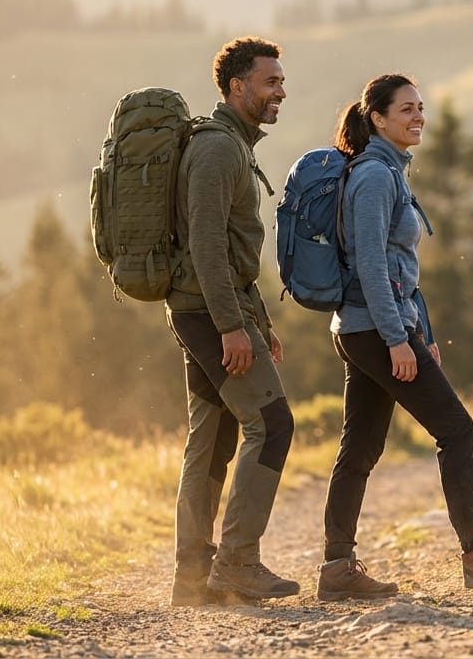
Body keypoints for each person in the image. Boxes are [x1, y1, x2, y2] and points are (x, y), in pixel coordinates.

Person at [316, 73, 473, 600]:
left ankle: (336, 567)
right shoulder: (375, 176)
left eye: (420, 108)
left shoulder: (388, 170)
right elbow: (373, 265)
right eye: (405, 110)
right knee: (456, 428)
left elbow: (401, 267)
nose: (418, 117)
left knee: (361, 448)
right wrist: (399, 339)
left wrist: (422, 332)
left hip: (367, 326)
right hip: (375, 328)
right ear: (376, 118)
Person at [166, 37, 298, 605]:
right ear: (237, 87)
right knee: (271, 424)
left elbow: (231, 250)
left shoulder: (230, 145)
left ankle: (192, 579)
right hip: (208, 312)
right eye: (270, 82)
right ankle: (239, 562)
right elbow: (206, 247)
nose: (281, 91)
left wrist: (258, 321)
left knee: (214, 438)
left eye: (281, 81)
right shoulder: (219, 150)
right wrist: (230, 326)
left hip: (211, 308)